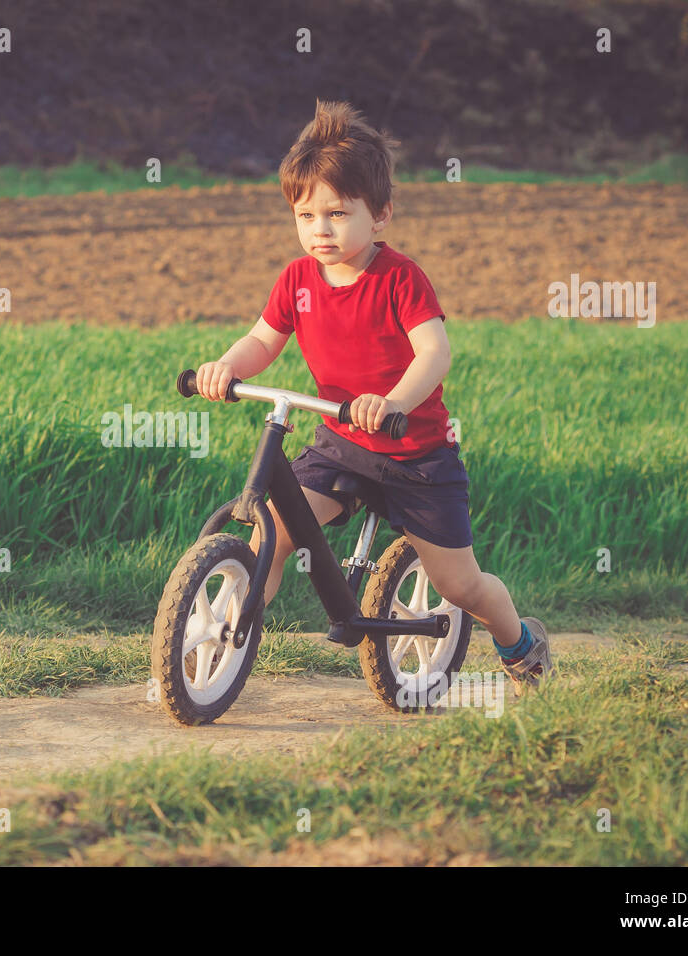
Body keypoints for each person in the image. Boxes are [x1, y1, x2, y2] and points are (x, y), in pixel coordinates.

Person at [194, 99, 553, 695]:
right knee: (271, 535)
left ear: (380, 215)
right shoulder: (297, 281)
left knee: (459, 586)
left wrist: (393, 402)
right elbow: (262, 339)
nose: (320, 230)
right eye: (306, 216)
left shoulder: (399, 279)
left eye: (337, 213)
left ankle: (520, 642)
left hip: (414, 455)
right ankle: (219, 643)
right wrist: (225, 367)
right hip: (339, 443)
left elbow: (434, 353)